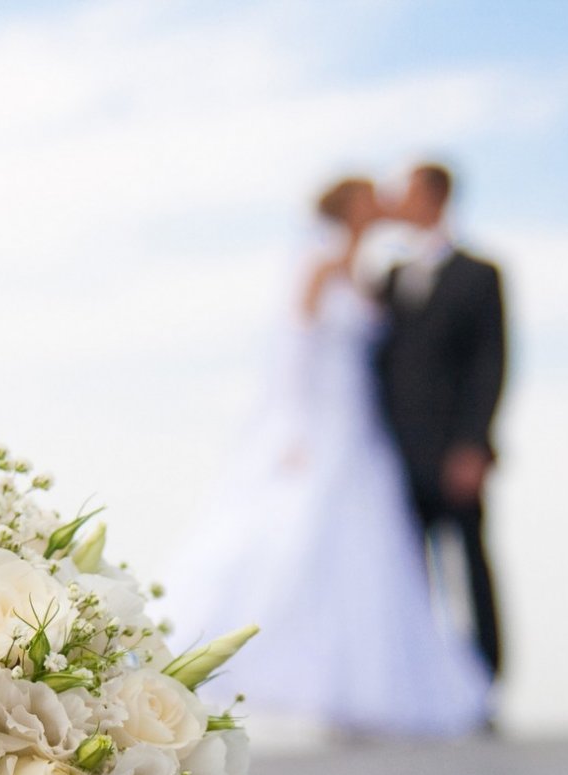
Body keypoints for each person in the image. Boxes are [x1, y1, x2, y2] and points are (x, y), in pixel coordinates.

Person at [163, 177, 491, 738]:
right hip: (321, 424)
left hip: (364, 429)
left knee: (369, 558)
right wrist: (293, 428)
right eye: (370, 197)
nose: (383, 204)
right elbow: (292, 348)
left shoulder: (370, 274)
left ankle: (361, 692)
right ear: (345, 209)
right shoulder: (316, 265)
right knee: (300, 544)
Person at [371, 163, 508, 682]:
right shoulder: (386, 280)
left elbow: (491, 364)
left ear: (434, 197)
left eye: (403, 192)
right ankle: (419, 687)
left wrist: (474, 444)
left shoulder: (480, 274)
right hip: (392, 456)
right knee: (405, 577)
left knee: (470, 567)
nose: (395, 202)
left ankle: (485, 683)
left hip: (455, 453)